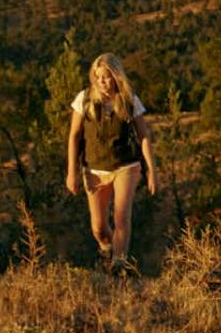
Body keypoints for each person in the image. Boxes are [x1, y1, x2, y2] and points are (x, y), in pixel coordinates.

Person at [65, 53, 156, 276]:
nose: (102, 82)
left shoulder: (129, 100)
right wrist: (72, 172)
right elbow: (74, 136)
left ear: (116, 76)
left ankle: (119, 264)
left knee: (121, 217)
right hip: (94, 169)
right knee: (99, 227)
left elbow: (143, 136)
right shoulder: (84, 99)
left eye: (106, 77)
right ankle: (107, 249)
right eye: (98, 78)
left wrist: (152, 171)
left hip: (126, 166)